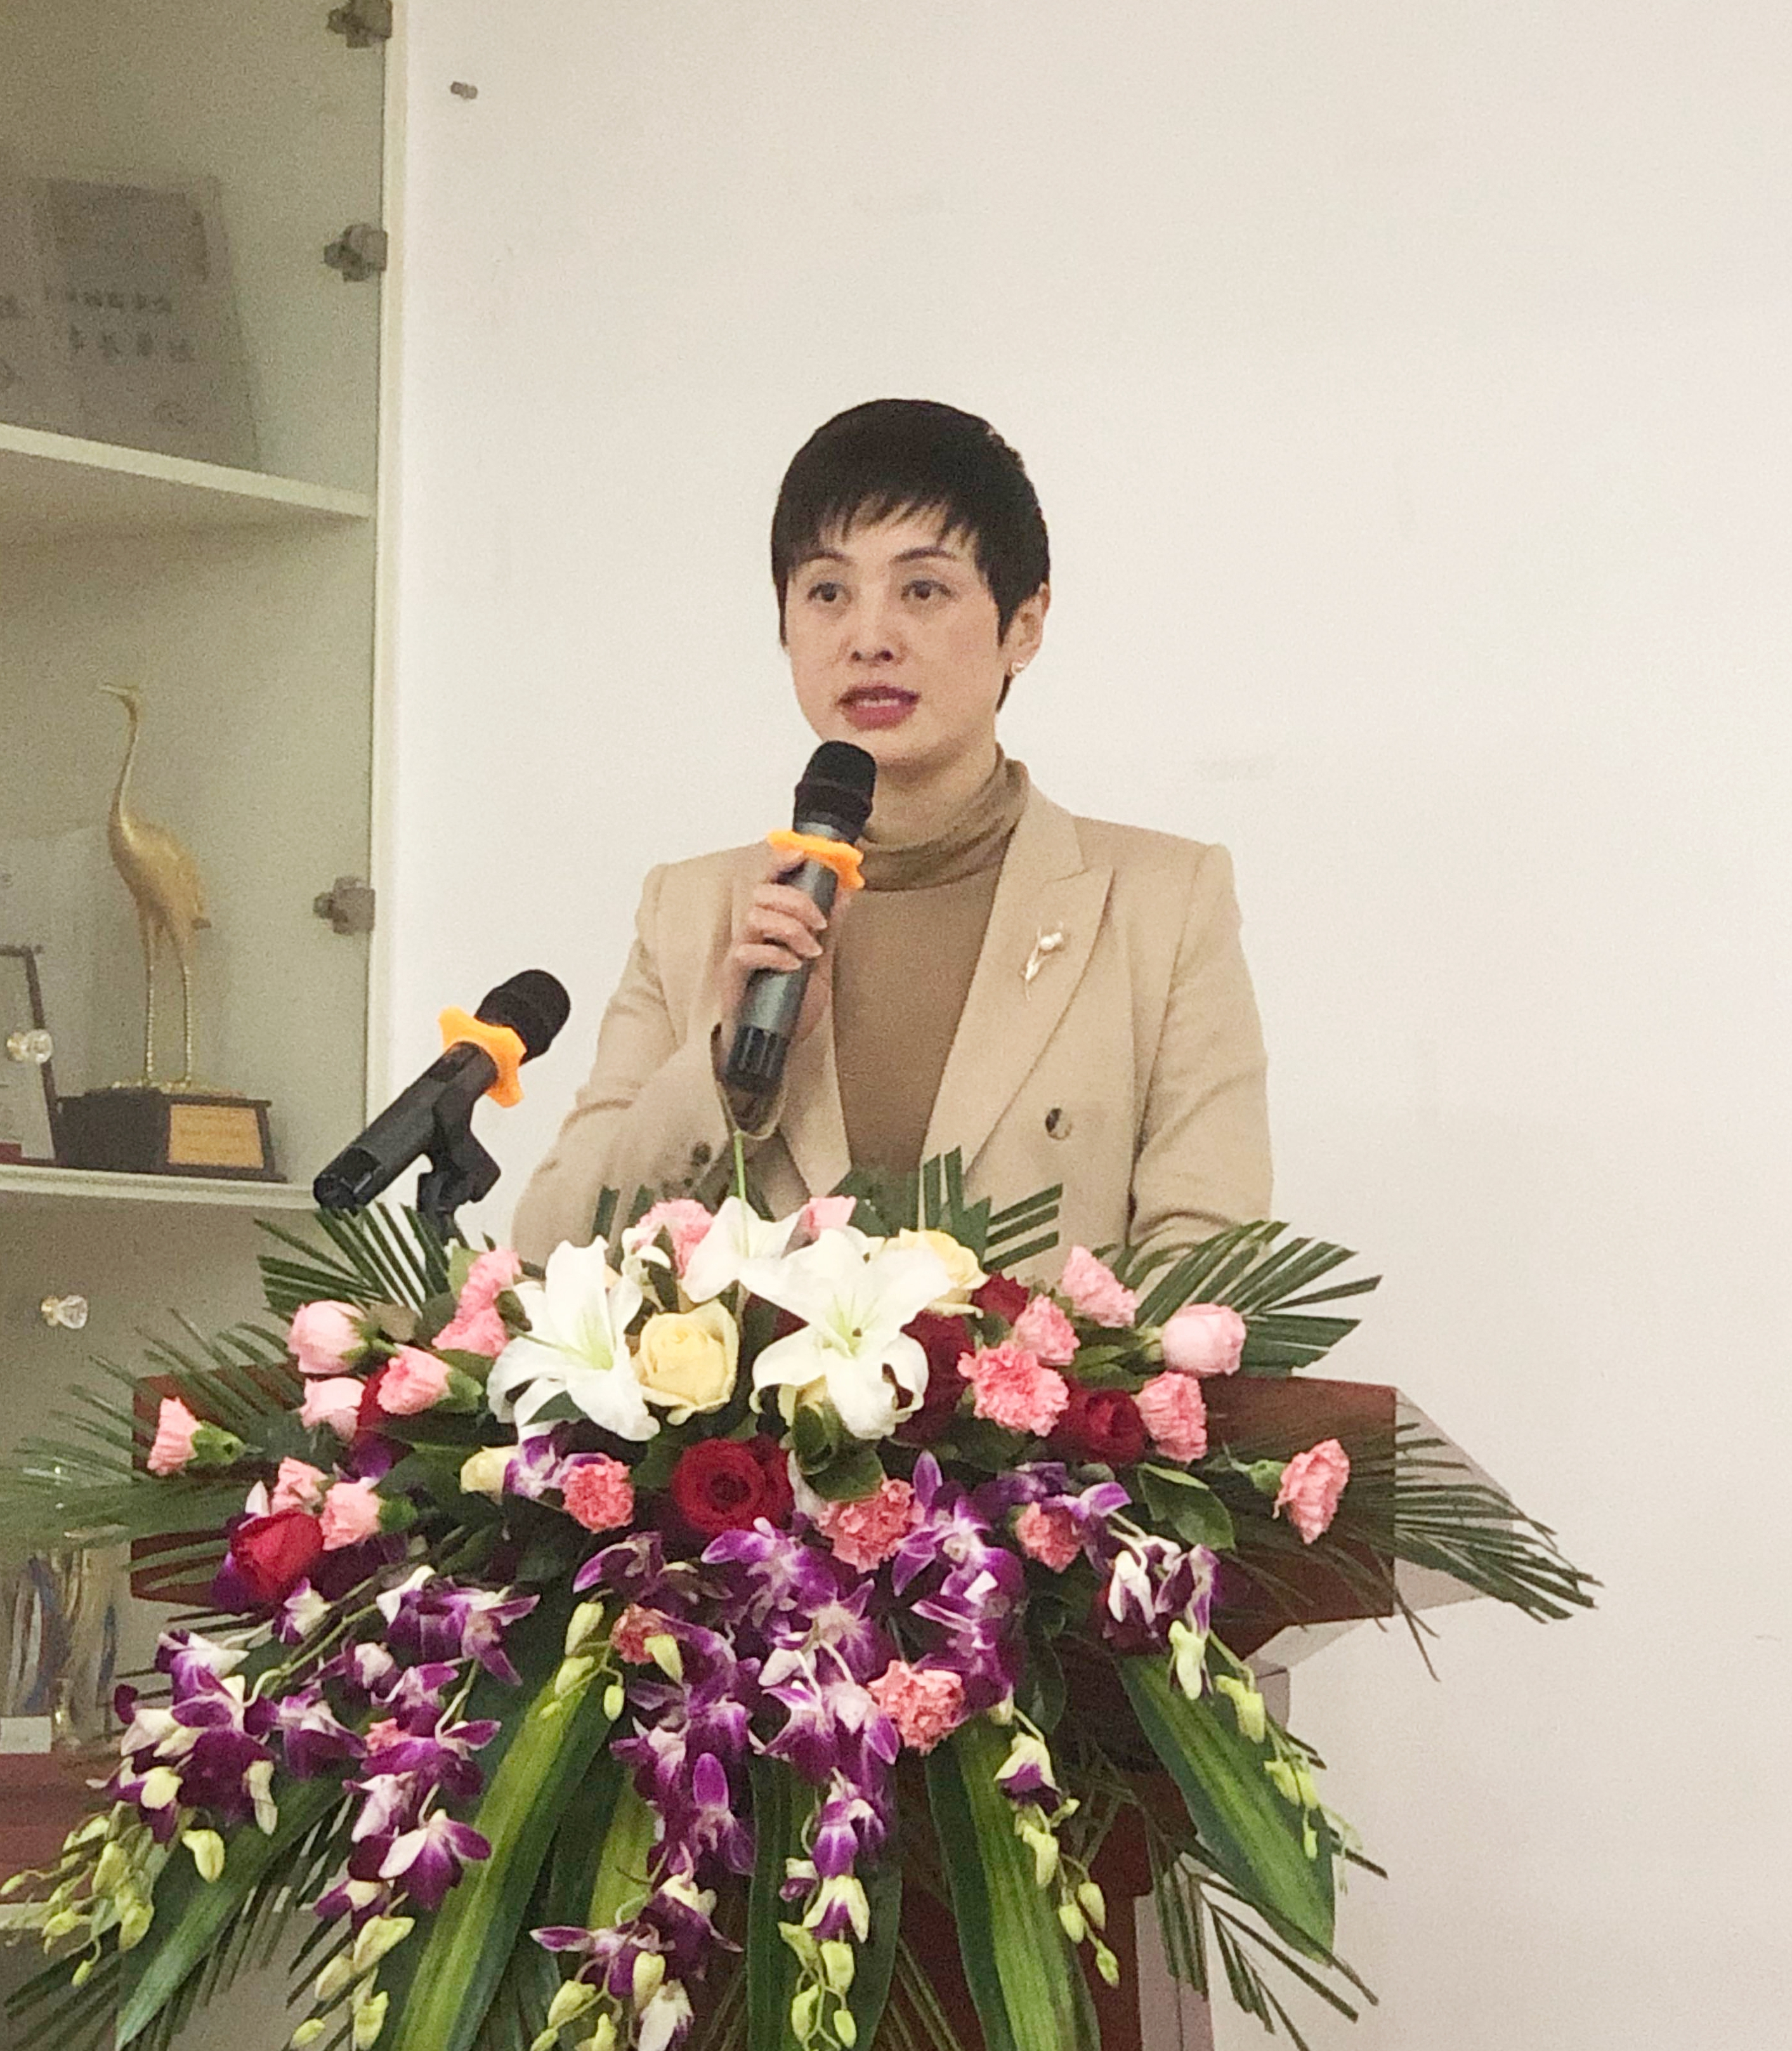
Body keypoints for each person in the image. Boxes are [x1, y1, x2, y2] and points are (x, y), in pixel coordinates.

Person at [512, 399, 1271, 1269]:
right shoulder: (692, 911)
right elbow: (547, 1256)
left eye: (923, 590)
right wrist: (725, 1065)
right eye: (828, 593)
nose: (868, 639)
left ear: (1023, 623)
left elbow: (1211, 1266)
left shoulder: (1163, 904)